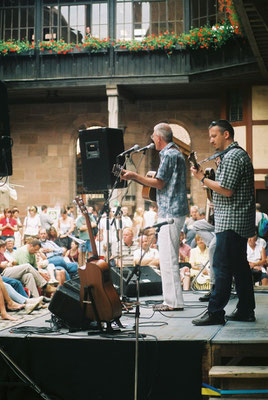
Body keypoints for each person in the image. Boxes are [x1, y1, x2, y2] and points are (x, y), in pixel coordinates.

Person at [191, 119, 256, 325]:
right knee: (239, 267)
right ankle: (246, 309)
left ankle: (215, 312)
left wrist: (202, 178)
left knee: (222, 267)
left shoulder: (233, 156)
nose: (211, 140)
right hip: (236, 220)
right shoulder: (233, 155)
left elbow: (227, 190)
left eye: (213, 136)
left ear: (226, 135)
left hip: (231, 221)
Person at [120, 122, 188, 311]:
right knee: (168, 257)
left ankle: (172, 302)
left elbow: (159, 183)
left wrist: (134, 176)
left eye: (153, 135)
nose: (152, 138)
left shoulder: (168, 154)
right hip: (174, 211)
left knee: (167, 258)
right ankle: (173, 301)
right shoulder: (176, 153)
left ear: (158, 137)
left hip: (171, 213)